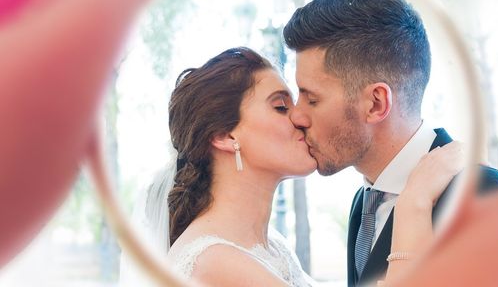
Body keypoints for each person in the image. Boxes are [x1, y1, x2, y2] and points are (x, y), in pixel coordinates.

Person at [140, 46, 463, 287]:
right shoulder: (213, 261)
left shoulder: (273, 248)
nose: (299, 117)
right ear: (225, 135)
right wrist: (413, 206)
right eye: (281, 107)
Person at [283, 0, 498, 287]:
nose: (297, 116)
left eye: (312, 99)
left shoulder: (482, 196)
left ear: (376, 103)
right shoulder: (363, 204)